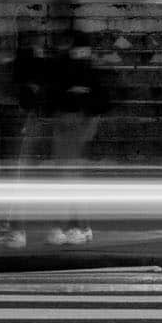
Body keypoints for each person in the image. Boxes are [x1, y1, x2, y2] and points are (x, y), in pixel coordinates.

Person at [44, 28, 111, 246]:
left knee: (67, 177)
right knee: (70, 177)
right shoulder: (82, 67)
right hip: (75, 124)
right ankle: (78, 225)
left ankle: (73, 226)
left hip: (72, 124)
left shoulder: (71, 66)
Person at [0, 24, 55, 250]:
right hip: (32, 120)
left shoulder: (25, 62)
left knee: (17, 173)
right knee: (19, 173)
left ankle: (17, 230)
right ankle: (17, 227)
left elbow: (26, 92)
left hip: (26, 120)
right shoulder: (38, 62)